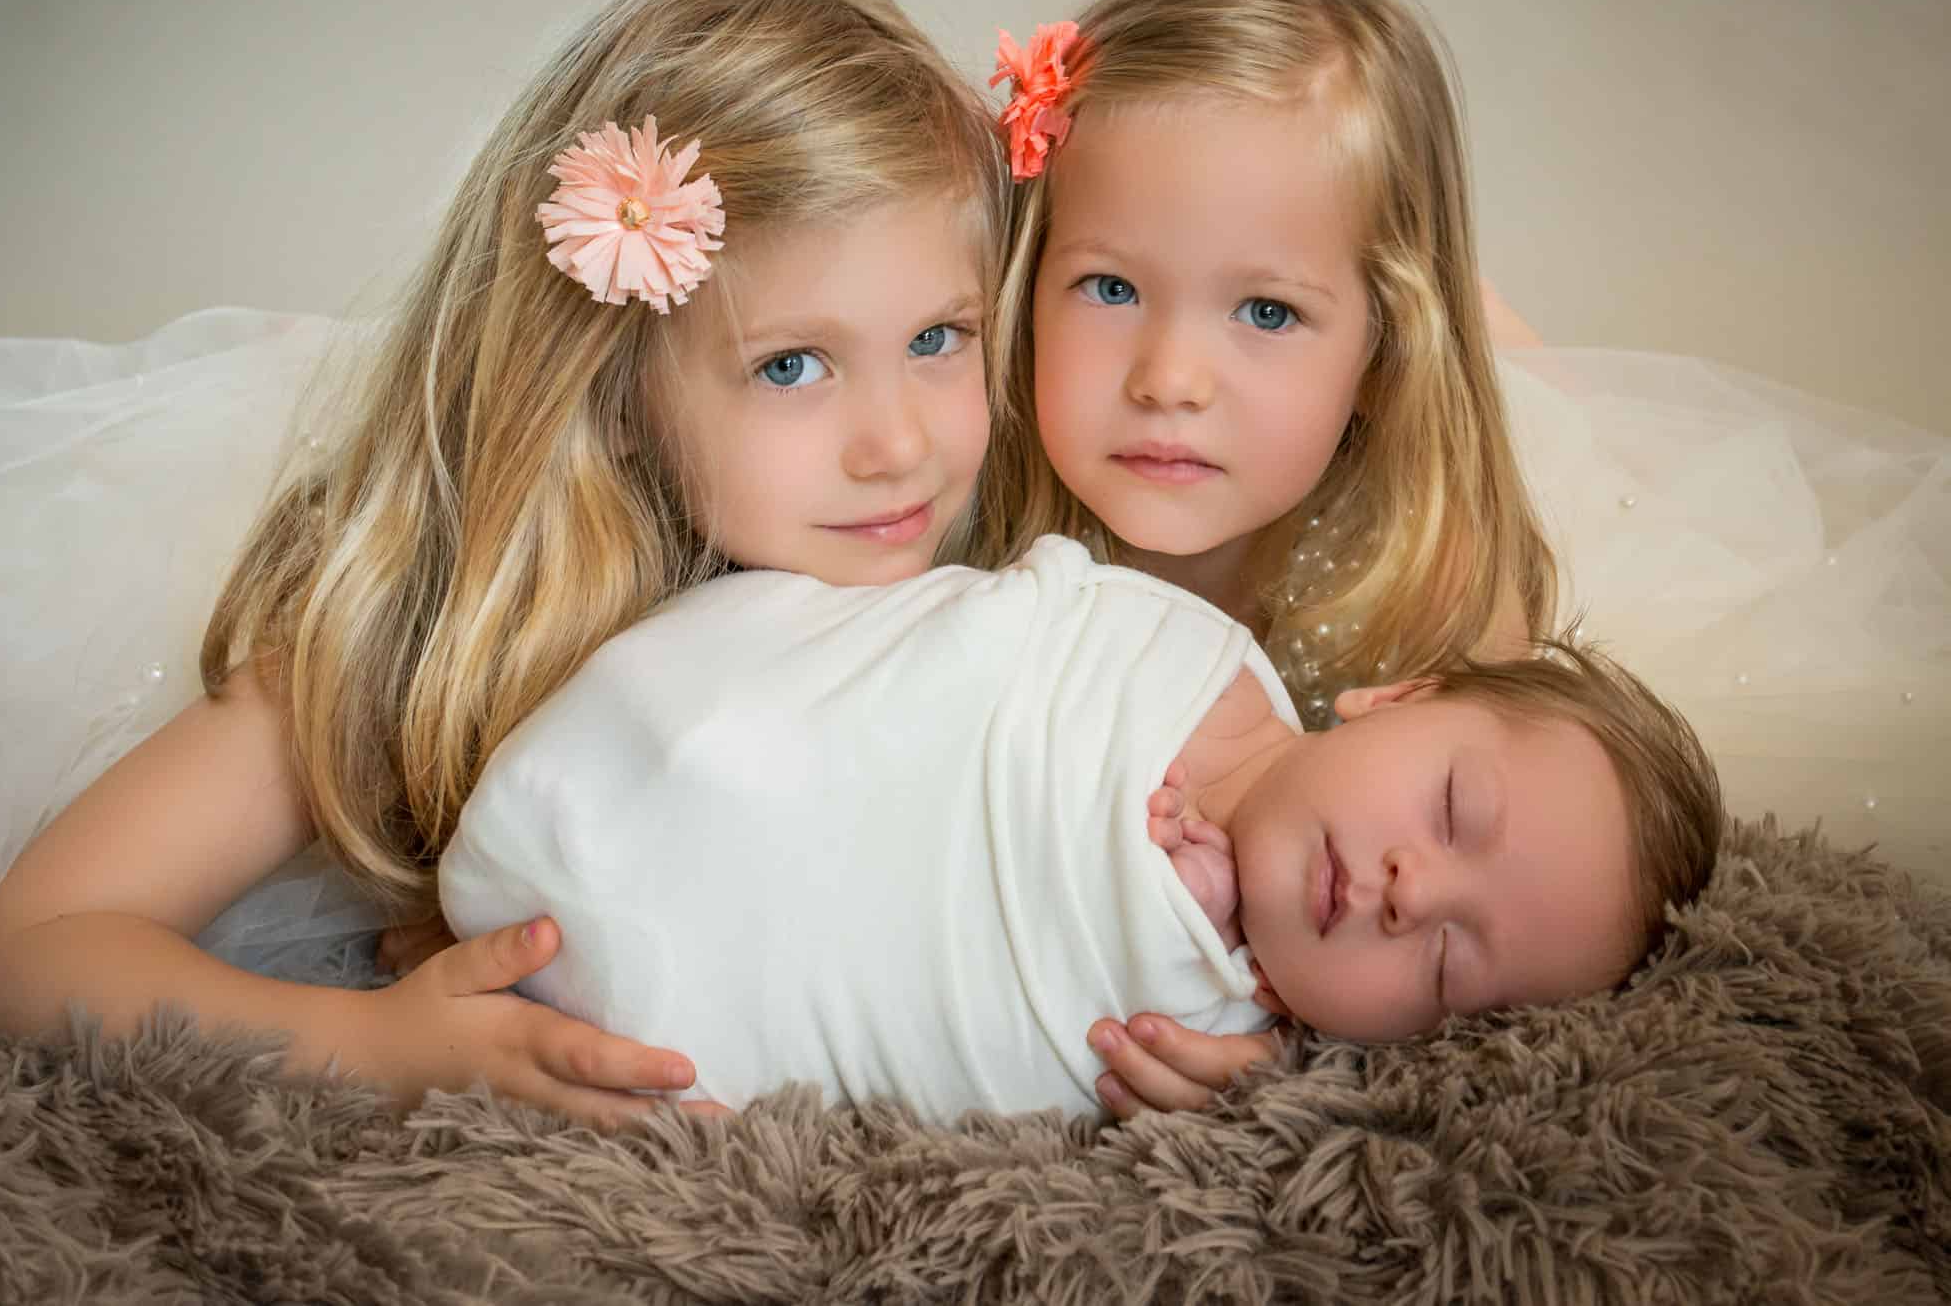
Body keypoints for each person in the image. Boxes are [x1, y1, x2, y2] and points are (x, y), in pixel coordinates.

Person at [0, 0, 1008, 1127]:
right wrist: (371, 1041)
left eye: (938, 336)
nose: (899, 444)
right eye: (790, 364)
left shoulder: (1003, 573)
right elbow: (27, 948)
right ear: (613, 387)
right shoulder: (424, 614)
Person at [439, 534, 1722, 1121]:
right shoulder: (1175, 647)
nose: (1405, 889)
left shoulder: (1216, 1053)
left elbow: (1023, 1036)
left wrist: (1202, 970)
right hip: (667, 727)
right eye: (1451, 808)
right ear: (1395, 695)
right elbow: (979, 645)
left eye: (1446, 964)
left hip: (659, 1021)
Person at [969, 0, 1565, 1115]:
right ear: (1024, 279)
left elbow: (1476, 922)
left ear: (1384, 346)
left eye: (1264, 310)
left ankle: (1481, 325)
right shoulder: (958, 486)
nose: (1171, 378)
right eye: (1108, 286)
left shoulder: (1429, 578)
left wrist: (1309, 1050)